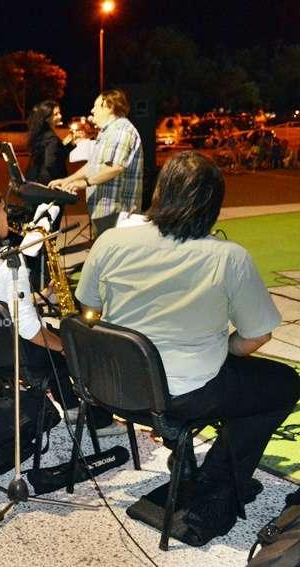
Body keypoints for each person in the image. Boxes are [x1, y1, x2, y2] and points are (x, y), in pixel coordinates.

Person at [75, 151, 300, 545]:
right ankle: (217, 479)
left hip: (114, 387)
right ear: (213, 205)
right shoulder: (229, 257)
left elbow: (88, 310)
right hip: (186, 394)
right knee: (283, 384)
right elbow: (257, 336)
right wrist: (223, 348)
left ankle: (193, 463)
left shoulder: (110, 240)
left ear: (160, 192)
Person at [0, 184, 121, 434]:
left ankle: (71, 408)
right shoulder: (10, 263)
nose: (7, 216)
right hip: (18, 356)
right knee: (74, 344)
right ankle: (100, 422)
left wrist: (42, 295)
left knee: (52, 340)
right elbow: (30, 330)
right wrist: (65, 348)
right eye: (3, 210)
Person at [48, 89, 143, 236]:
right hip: (105, 211)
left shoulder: (121, 130)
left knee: (111, 250)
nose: (92, 111)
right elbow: (92, 165)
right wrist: (67, 180)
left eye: (96, 106)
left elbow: (114, 168)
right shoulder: (108, 131)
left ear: (110, 107)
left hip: (115, 212)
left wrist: (84, 183)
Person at [25, 100, 74, 185]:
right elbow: (51, 163)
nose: (60, 116)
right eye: (56, 114)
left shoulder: (40, 133)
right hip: (48, 182)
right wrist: (61, 180)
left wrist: (68, 144)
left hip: (34, 178)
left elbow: (55, 152)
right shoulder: (51, 138)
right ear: (47, 118)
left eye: (59, 113)